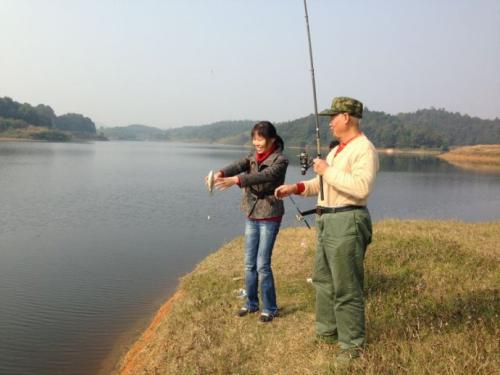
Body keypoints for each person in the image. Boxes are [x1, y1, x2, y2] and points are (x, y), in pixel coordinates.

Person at [275, 97, 379, 362]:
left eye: (333, 117)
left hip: (347, 221)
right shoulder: (337, 151)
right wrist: (295, 188)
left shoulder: (364, 149)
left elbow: (360, 188)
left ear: (346, 117)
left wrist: (327, 170)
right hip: (327, 220)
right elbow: (320, 183)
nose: (330, 122)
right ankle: (327, 332)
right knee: (323, 280)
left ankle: (352, 346)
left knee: (346, 286)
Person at [207, 121, 288, 323]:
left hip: (270, 213)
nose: (257, 143)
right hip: (252, 213)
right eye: (254, 139)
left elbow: (264, 176)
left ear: (272, 140)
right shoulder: (252, 157)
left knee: (262, 264)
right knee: (249, 263)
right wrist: (221, 173)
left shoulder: (281, 160)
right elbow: (237, 165)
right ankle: (251, 304)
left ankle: (270, 308)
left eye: (261, 139)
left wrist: (237, 180)